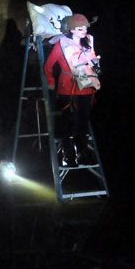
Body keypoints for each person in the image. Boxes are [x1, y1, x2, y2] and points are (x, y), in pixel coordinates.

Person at [44, 14, 101, 167]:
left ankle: (83, 153)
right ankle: (68, 155)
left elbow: (92, 60)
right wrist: (51, 82)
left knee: (83, 121)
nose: (84, 31)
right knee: (69, 122)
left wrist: (95, 65)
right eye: (80, 29)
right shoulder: (62, 44)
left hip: (86, 86)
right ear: (71, 30)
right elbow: (48, 65)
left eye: (85, 28)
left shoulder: (87, 42)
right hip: (68, 88)